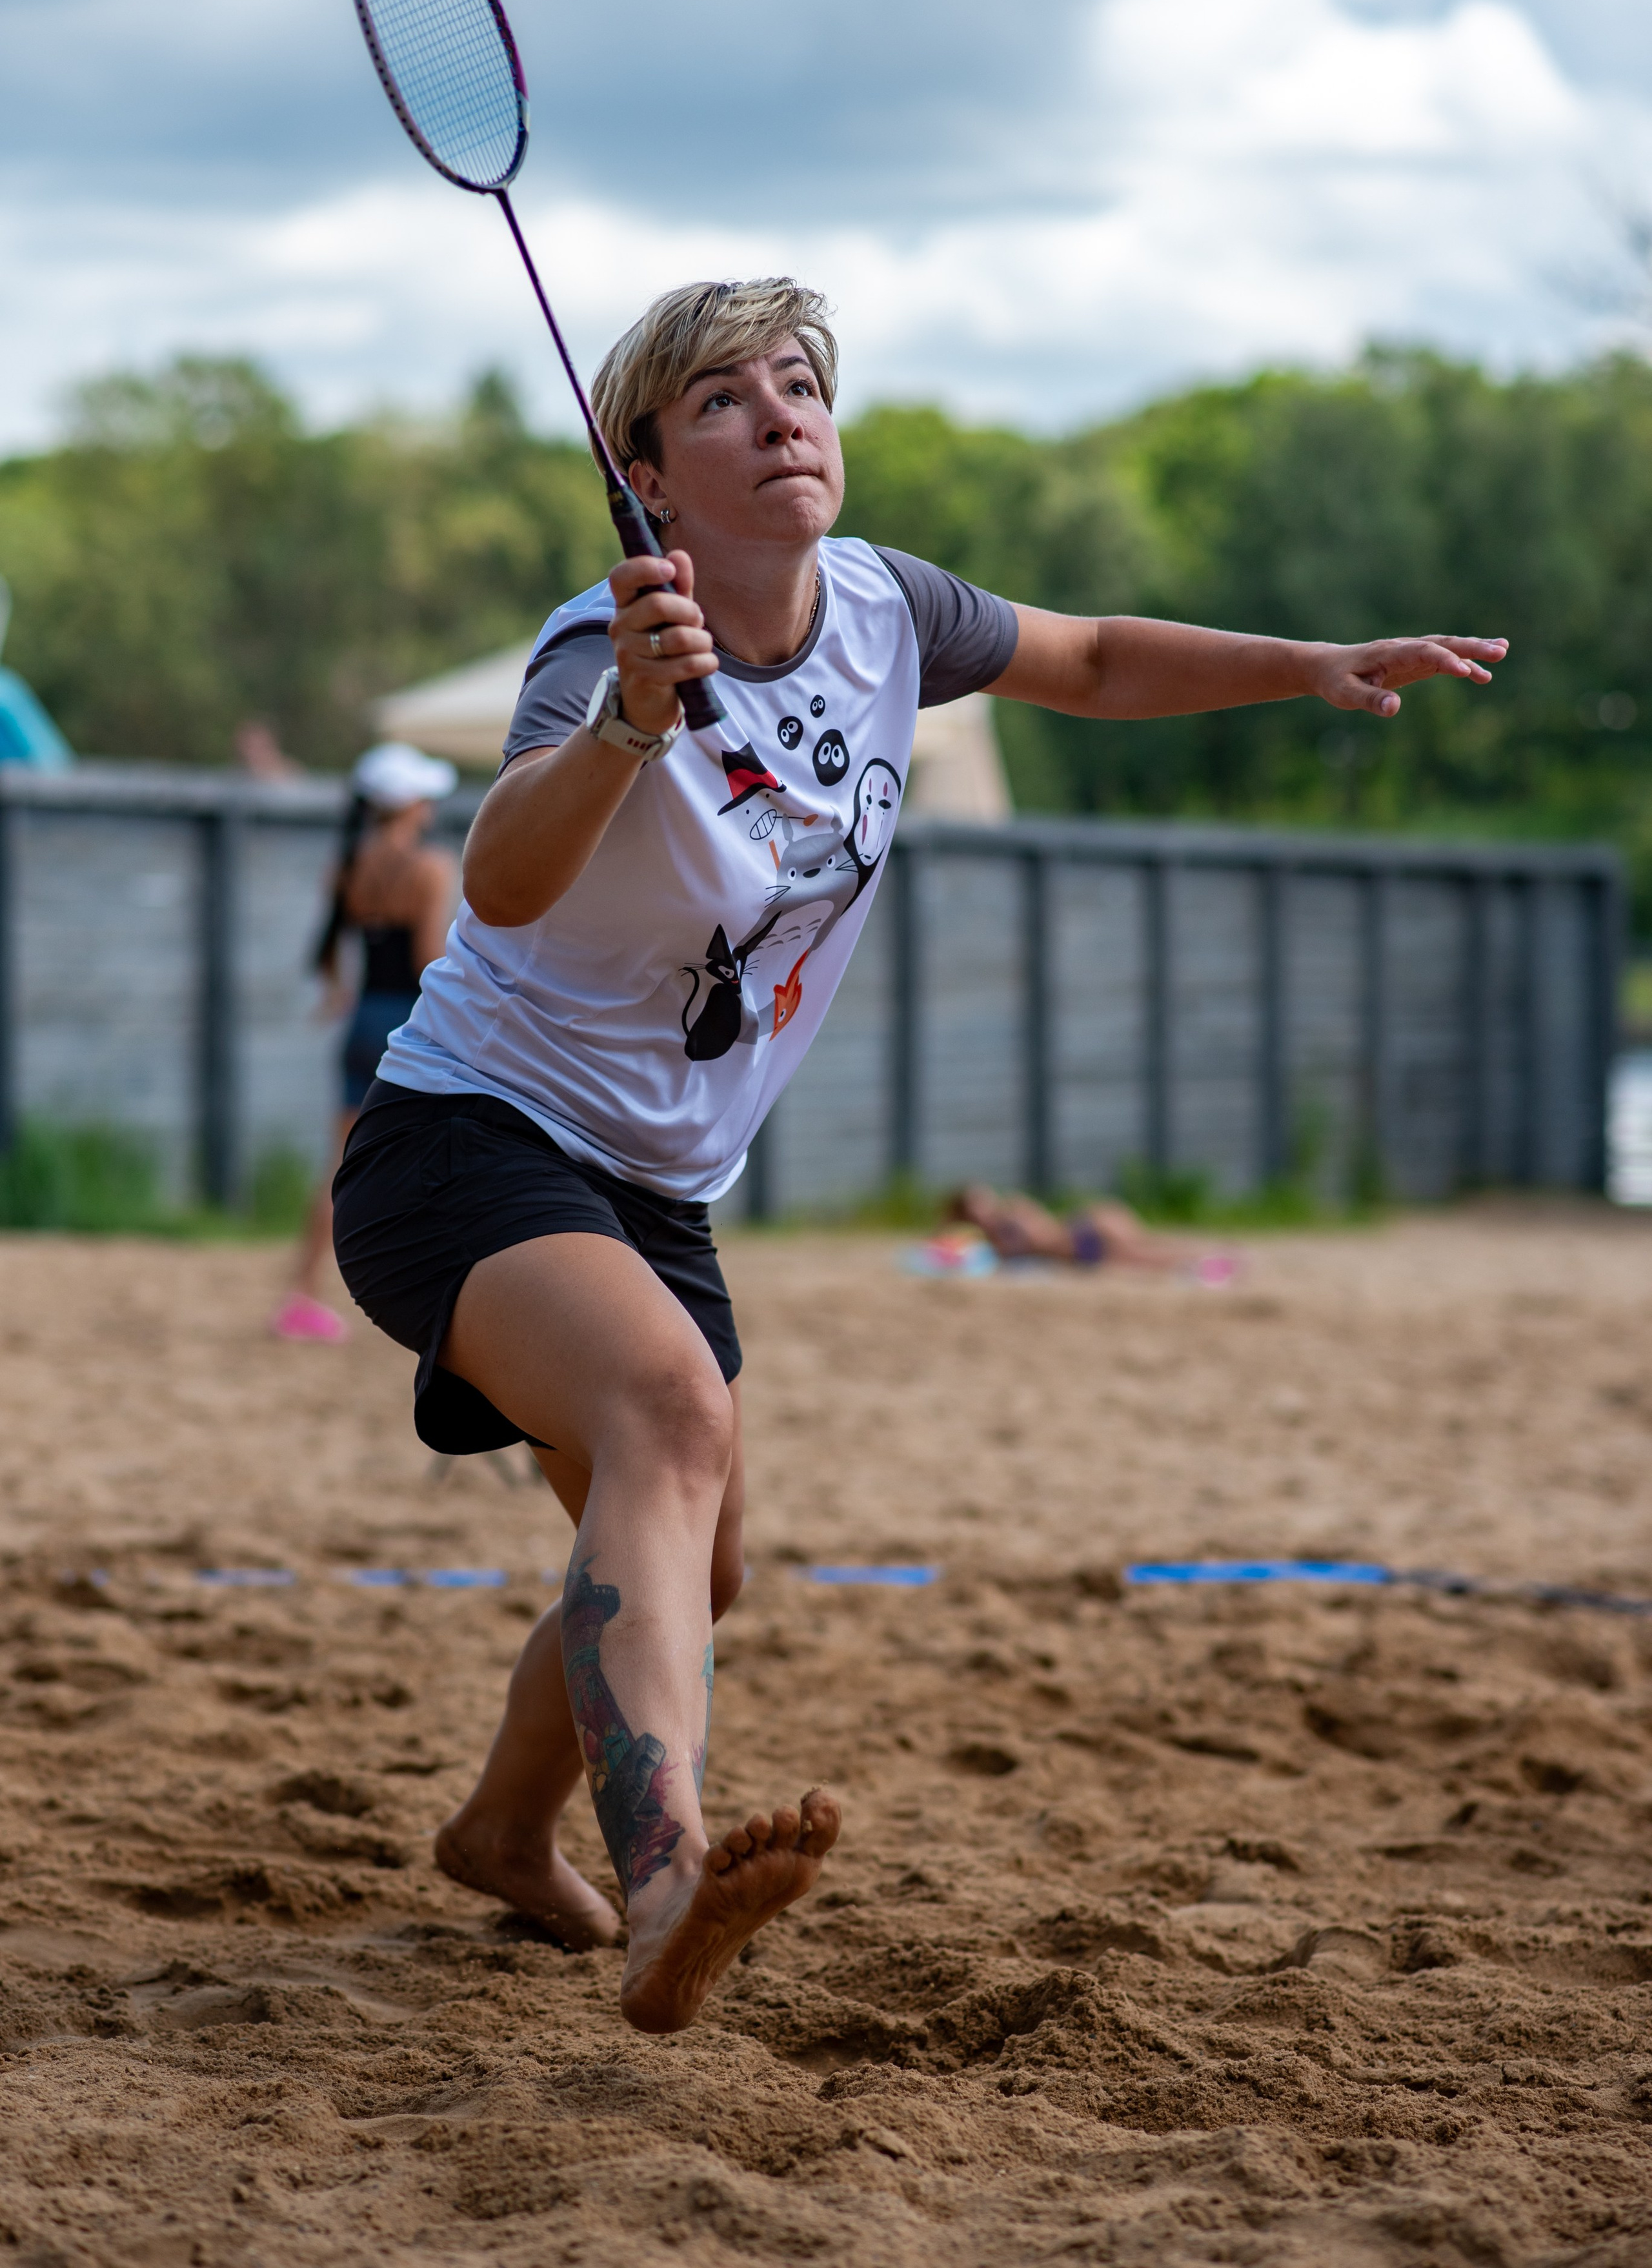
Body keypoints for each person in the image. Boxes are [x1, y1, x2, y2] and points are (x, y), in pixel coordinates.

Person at [328, 278, 1506, 2034]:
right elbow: (498, 883)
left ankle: (506, 1834)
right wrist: (635, 724)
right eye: (722, 398)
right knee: (671, 1417)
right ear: (644, 473)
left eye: (802, 382)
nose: (781, 411)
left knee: (695, 1558)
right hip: (467, 1142)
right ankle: (669, 1885)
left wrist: (1305, 665)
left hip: (654, 1188)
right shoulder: (608, 647)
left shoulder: (890, 611)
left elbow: (1094, 655)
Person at [271, 743, 457, 1342]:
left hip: (359, 1026)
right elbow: (430, 957)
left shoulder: (349, 866)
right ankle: (448, 1298)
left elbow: (330, 954)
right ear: (407, 805)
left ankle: (300, 1296)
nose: (430, 806)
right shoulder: (430, 868)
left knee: (341, 1162)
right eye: (424, 796)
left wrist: (338, 996)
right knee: (446, 1160)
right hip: (410, 1024)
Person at [934, 1183, 1238, 1282]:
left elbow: (1043, 1233)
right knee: (1145, 1253)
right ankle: (1213, 1257)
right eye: (977, 1207)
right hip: (1078, 1243)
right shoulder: (994, 1234)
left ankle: (1212, 1258)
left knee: (1145, 1253)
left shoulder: (1012, 1214)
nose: (985, 1209)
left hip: (1081, 1236)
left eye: (983, 1201)